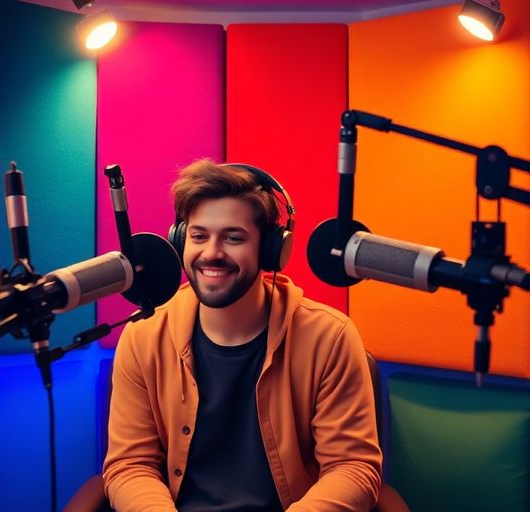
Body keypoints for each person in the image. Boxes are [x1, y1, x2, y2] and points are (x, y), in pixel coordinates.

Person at [103, 159, 382, 511]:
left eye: (233, 238)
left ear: (270, 250)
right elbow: (131, 465)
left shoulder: (330, 337)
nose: (212, 253)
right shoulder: (143, 337)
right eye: (199, 236)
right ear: (179, 240)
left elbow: (352, 468)